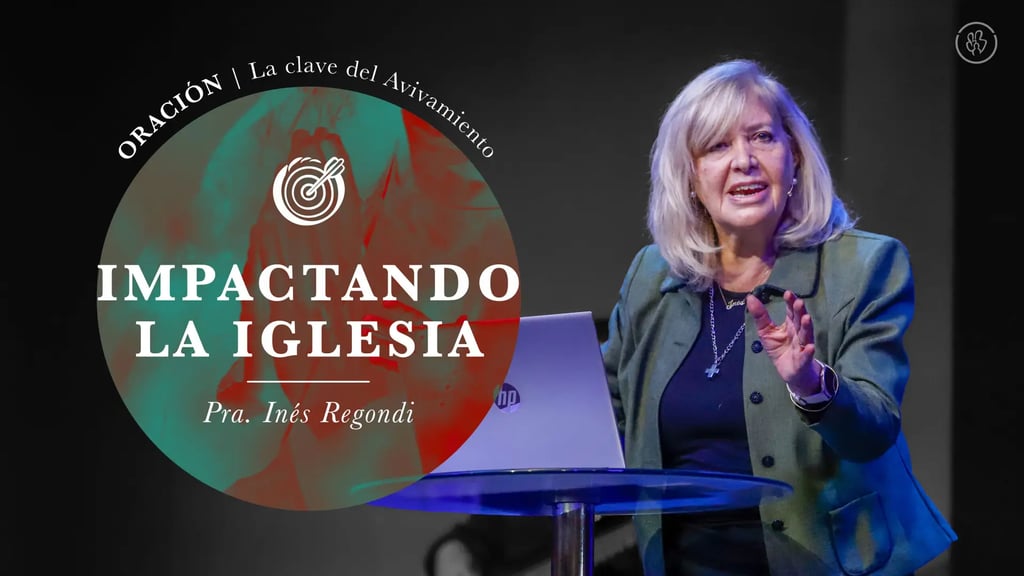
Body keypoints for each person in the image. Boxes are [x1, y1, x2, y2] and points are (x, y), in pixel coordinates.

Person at [602, 58, 957, 575]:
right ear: (689, 177)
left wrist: (813, 387)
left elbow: (872, 431)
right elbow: (604, 411)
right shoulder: (651, 277)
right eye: (717, 146)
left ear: (795, 157)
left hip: (824, 564)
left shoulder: (865, 266)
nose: (743, 160)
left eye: (762, 137)